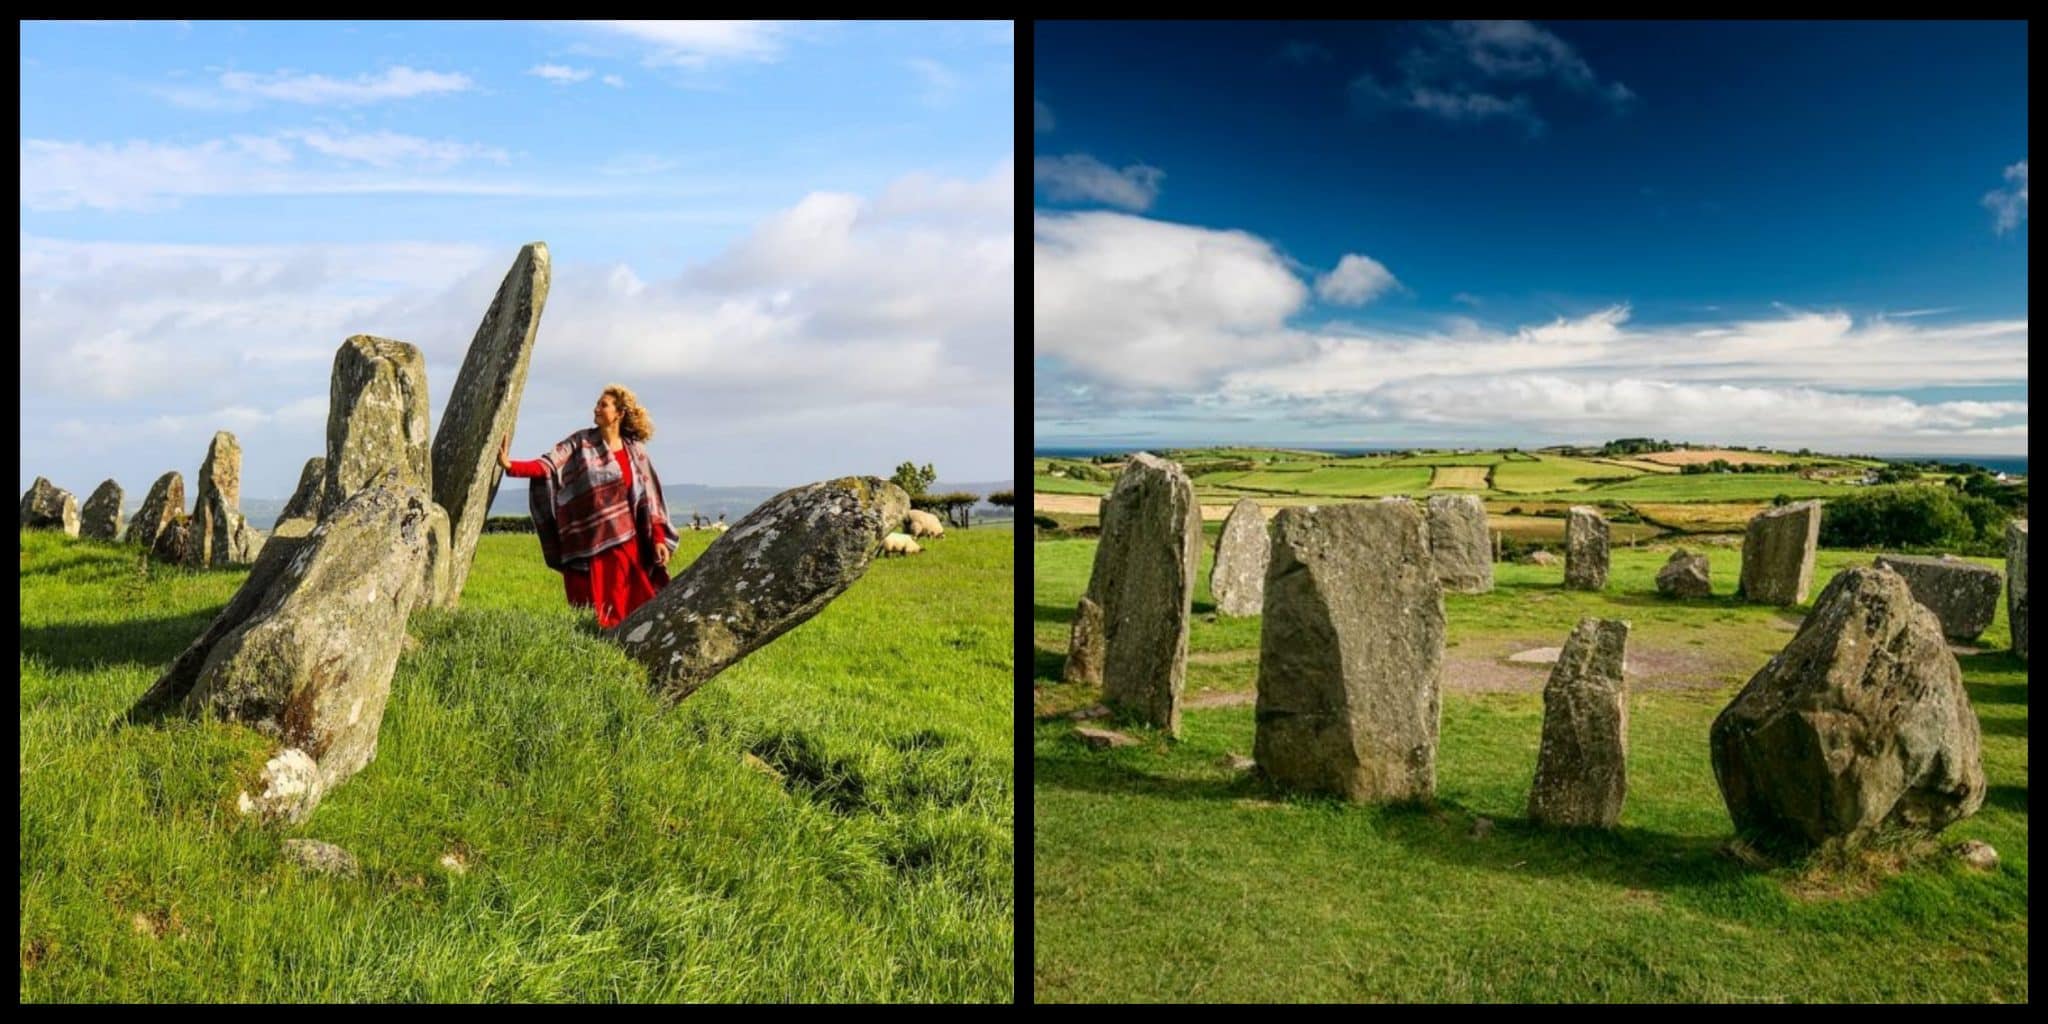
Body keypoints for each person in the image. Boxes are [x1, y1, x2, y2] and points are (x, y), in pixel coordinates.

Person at [498, 384, 680, 629]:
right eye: (597, 403)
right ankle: (599, 659)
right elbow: (548, 465)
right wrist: (511, 465)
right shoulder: (580, 442)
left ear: (619, 413)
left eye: (603, 404)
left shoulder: (636, 452)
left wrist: (658, 539)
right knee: (598, 620)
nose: (596, 408)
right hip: (590, 549)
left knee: (636, 613)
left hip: (628, 549)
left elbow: (651, 501)